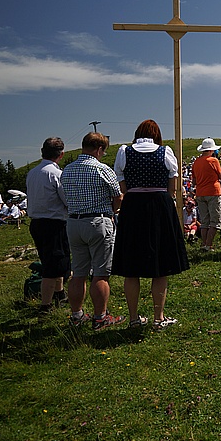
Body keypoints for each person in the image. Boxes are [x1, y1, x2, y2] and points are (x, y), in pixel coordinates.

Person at [113, 120, 190, 331]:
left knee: (131, 267)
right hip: (160, 205)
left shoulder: (124, 152)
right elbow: (172, 185)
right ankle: (158, 318)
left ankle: (133, 319)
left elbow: (122, 185)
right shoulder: (165, 152)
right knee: (161, 264)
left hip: (133, 206)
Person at [61, 132, 125, 330]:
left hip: (74, 222)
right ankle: (100, 317)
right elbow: (118, 197)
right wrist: (113, 211)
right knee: (100, 273)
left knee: (78, 272)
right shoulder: (102, 169)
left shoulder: (67, 170)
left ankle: (77, 315)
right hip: (97, 221)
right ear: (99, 149)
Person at [26, 137, 70, 311]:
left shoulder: (32, 173)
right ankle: (46, 305)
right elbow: (66, 200)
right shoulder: (56, 174)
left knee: (51, 261)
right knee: (54, 265)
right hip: (54, 223)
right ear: (61, 154)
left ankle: (60, 293)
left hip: (36, 222)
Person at [192, 138, 221, 251]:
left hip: (200, 192)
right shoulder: (213, 160)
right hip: (213, 192)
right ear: (211, 150)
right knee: (215, 220)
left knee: (204, 220)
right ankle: (208, 244)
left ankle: (204, 244)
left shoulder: (196, 162)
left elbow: (194, 181)